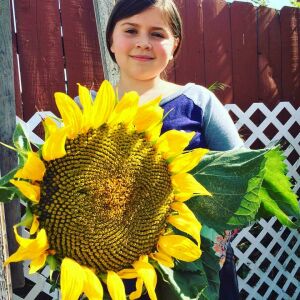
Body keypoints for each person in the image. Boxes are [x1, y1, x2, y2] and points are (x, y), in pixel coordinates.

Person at [105, 0, 243, 298]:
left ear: (174, 44)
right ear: (111, 40)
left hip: (194, 264)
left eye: (157, 34)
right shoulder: (89, 107)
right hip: (113, 269)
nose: (143, 43)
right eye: (131, 30)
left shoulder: (197, 102)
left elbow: (243, 180)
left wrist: (215, 243)